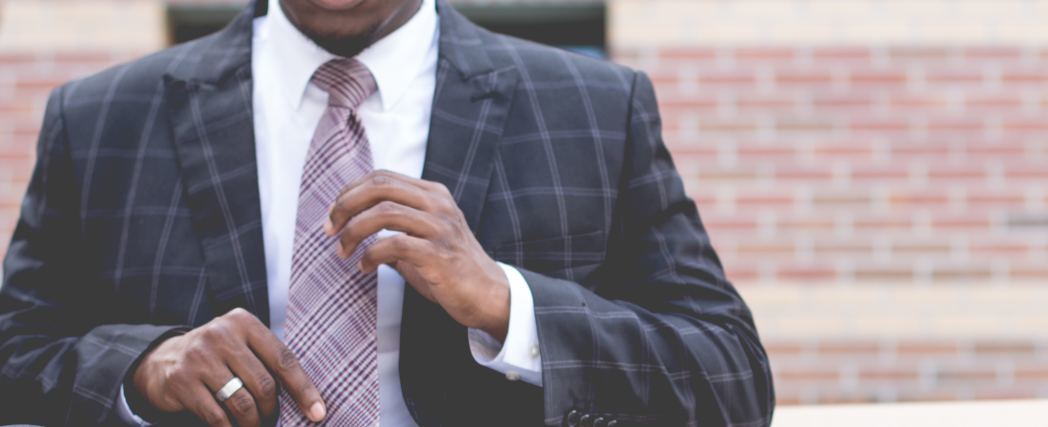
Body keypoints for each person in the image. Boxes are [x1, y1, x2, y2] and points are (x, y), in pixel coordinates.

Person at [0, 0, 774, 425]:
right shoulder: (102, 118)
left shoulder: (597, 107)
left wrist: (511, 305)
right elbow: (14, 357)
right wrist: (142, 368)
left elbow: (731, 379)